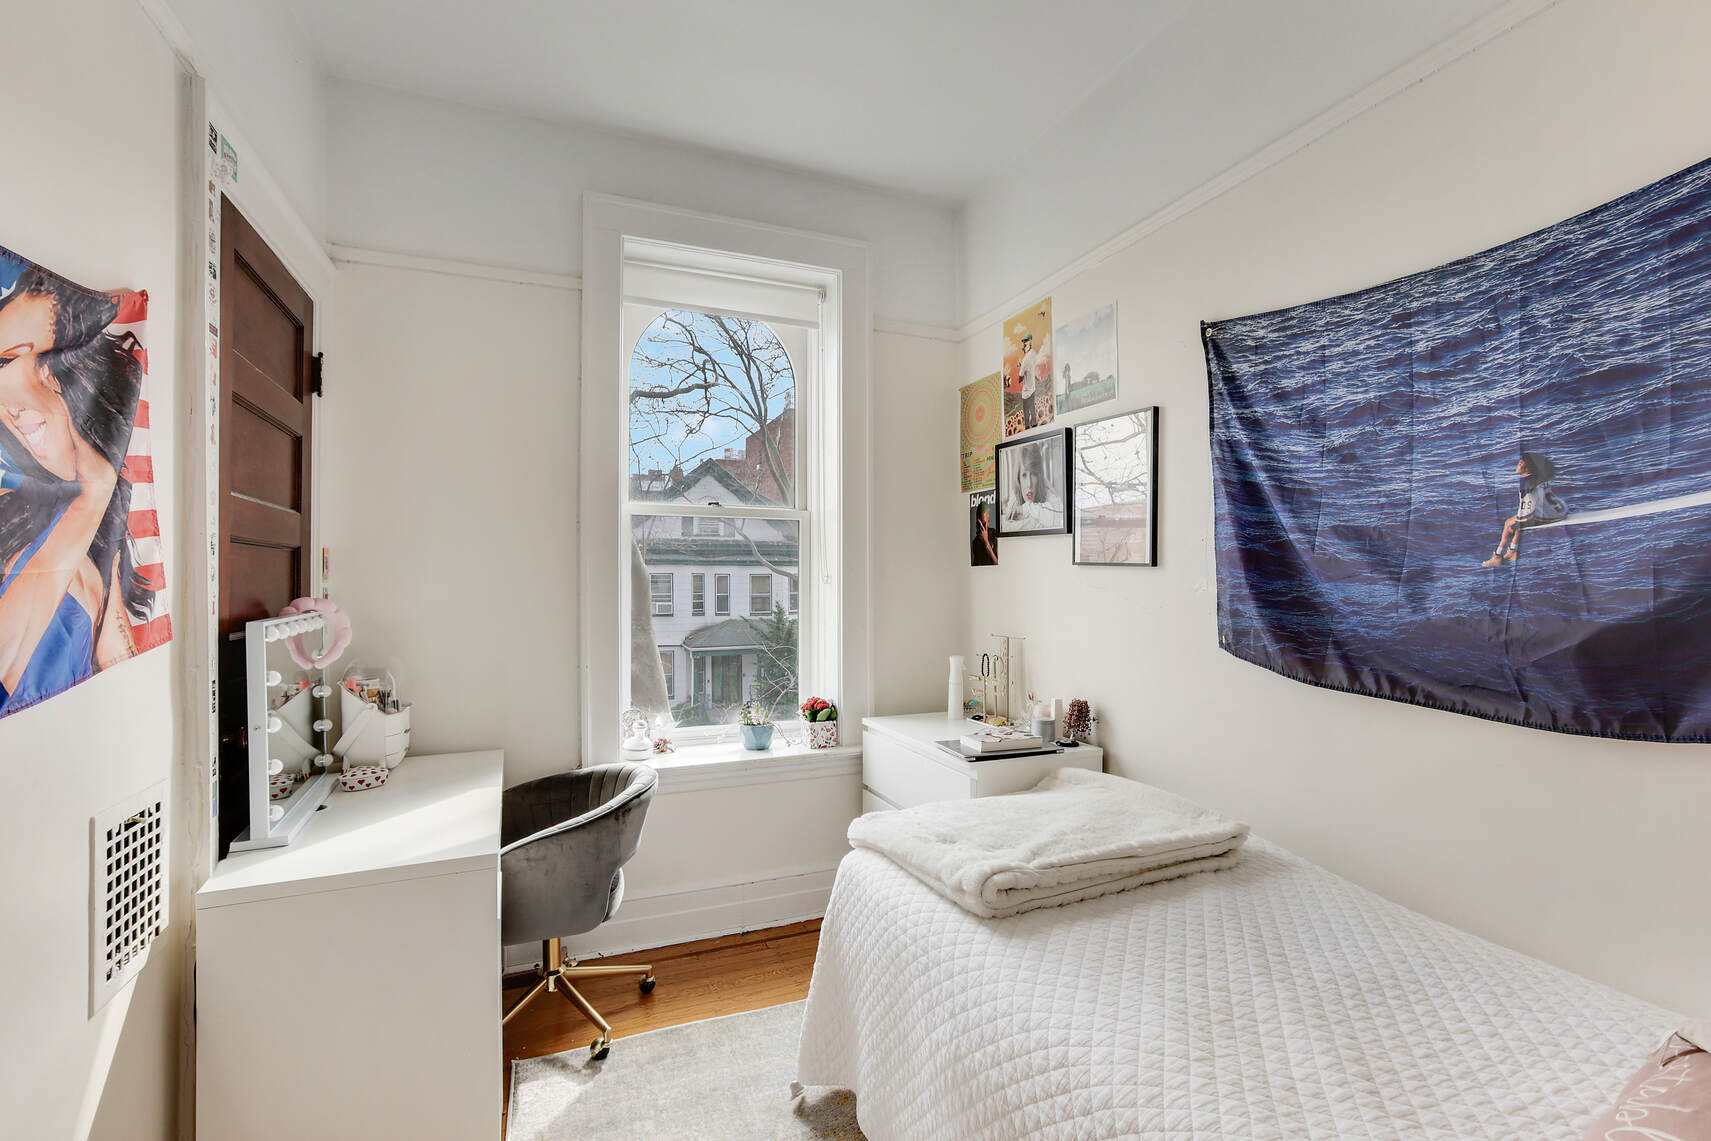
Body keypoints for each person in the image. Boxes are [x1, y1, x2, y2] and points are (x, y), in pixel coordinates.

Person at [0, 277, 147, 712]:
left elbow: (123, 675)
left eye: (38, 361)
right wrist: (92, 498)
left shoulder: (107, 545)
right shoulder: (19, 515)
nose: (12, 403)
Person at [1482, 450, 1567, 568]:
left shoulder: (1525, 483)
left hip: (1549, 516)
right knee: (1517, 520)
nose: (1518, 465)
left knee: (1509, 523)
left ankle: (1497, 556)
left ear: (1527, 468)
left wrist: (1517, 523)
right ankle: (1512, 551)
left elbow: (1525, 512)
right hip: (1560, 510)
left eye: (1520, 463)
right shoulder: (1541, 476)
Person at [1004, 443, 1063, 531]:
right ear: (1018, 478)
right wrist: (1042, 522)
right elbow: (1006, 527)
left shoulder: (1045, 488)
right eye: (1024, 475)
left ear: (1039, 477)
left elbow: (1060, 515)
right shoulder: (1016, 492)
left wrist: (1024, 509)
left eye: (1034, 474)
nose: (1029, 484)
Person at [971, 500, 997, 566]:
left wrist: (986, 542)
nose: (981, 527)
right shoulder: (975, 542)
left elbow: (997, 563)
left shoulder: (995, 535)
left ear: (989, 521)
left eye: (983, 523)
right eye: (979, 523)